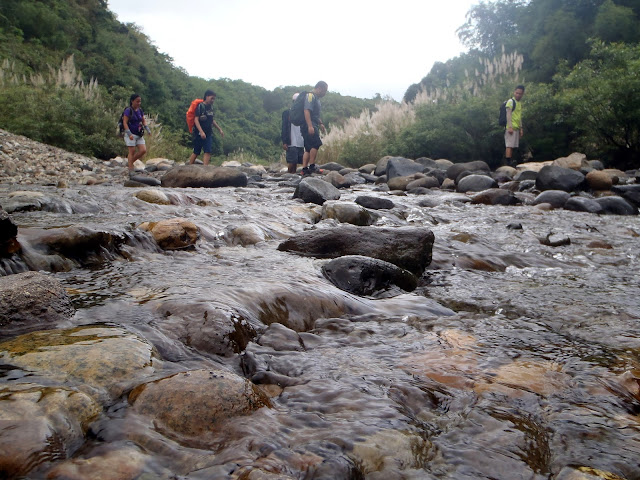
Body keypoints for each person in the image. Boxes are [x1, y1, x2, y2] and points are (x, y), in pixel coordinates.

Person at [189, 90, 224, 166]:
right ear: (207, 96)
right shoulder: (200, 106)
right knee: (196, 151)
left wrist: (219, 129)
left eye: (214, 99)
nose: (213, 100)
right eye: (212, 98)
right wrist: (201, 132)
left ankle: (205, 168)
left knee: (207, 151)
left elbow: (212, 120)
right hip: (199, 133)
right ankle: (188, 167)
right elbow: (196, 120)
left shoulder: (211, 107)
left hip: (208, 132)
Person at [300, 81, 328, 176]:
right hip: (309, 124)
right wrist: (310, 126)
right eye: (324, 91)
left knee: (308, 148)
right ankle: (312, 166)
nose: (325, 93)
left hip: (309, 124)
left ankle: (304, 169)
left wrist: (321, 123)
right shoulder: (310, 96)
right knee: (316, 144)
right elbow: (306, 111)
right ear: (319, 88)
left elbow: (314, 114)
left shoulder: (315, 98)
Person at [123, 93, 151, 177]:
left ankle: (130, 163)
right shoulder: (128, 110)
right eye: (137, 101)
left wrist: (148, 129)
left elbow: (143, 120)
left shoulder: (140, 110)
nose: (138, 103)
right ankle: (131, 169)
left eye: (140, 101)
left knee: (143, 150)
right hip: (130, 134)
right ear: (132, 101)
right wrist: (129, 133)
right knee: (132, 151)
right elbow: (125, 122)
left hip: (139, 134)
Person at [281, 93, 305, 174]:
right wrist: (284, 141)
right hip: (291, 141)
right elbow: (284, 127)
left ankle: (292, 178)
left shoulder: (304, 113)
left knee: (297, 161)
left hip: (301, 141)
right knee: (292, 161)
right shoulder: (287, 113)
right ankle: (288, 178)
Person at [504, 85, 525, 165]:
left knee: (512, 145)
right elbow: (508, 114)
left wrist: (521, 128)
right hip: (510, 127)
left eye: (520, 93)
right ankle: (508, 162)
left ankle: (511, 161)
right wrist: (510, 127)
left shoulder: (519, 103)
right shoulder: (511, 102)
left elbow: (519, 116)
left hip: (516, 127)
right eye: (517, 93)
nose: (518, 95)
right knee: (509, 145)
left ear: (522, 94)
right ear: (514, 92)